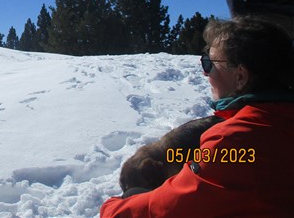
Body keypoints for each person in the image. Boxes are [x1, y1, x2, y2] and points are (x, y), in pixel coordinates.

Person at [100, 16, 294, 218]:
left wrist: (114, 207)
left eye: (209, 64)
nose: (205, 74)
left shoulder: (236, 139)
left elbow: (168, 209)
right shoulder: (277, 121)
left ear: (240, 76)